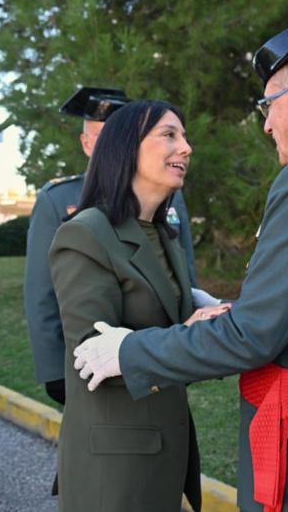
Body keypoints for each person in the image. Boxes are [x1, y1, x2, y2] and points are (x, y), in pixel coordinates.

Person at [72, 3, 288, 512]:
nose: (267, 125)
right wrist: (229, 304)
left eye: (268, 106)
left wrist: (129, 353)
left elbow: (255, 337)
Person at [48, 100, 230, 512]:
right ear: (127, 147)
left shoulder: (164, 235)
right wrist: (193, 332)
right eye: (169, 135)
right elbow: (89, 355)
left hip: (162, 448)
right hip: (115, 466)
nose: (186, 147)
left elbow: (173, 322)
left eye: (184, 136)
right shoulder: (85, 235)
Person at [24, 86, 200, 406]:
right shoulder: (61, 200)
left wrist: (191, 323)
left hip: (161, 368)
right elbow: (42, 292)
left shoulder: (166, 198)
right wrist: (53, 369)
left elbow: (181, 270)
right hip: (108, 374)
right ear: (89, 143)